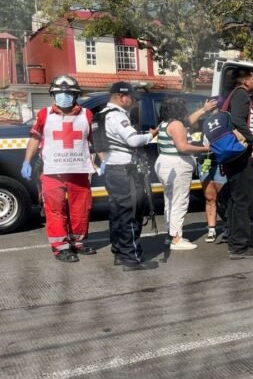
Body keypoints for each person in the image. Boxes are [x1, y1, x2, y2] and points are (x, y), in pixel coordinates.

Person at [21, 75, 96, 262]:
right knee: (55, 210)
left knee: (81, 208)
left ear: (76, 95)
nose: (64, 96)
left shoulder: (86, 114)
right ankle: (60, 247)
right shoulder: (44, 114)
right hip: (52, 172)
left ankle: (78, 242)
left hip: (79, 171)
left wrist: (102, 161)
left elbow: (95, 140)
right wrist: (26, 161)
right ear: (53, 94)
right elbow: (35, 139)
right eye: (59, 93)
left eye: (68, 93)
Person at [100, 82, 160, 271]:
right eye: (132, 99)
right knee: (130, 214)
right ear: (121, 97)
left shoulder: (102, 115)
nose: (133, 102)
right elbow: (133, 140)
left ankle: (119, 251)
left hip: (112, 169)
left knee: (117, 213)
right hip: (126, 171)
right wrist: (150, 136)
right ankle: (132, 258)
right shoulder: (117, 116)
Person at [154, 98, 211, 250]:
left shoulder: (165, 123)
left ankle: (171, 234)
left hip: (165, 163)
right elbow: (183, 147)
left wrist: (203, 109)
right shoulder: (177, 125)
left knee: (170, 201)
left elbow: (189, 120)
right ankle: (177, 238)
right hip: (177, 164)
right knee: (180, 201)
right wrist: (205, 149)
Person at [223, 69, 253, 259]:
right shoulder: (241, 94)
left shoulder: (238, 95)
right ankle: (239, 246)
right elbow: (238, 120)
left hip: (239, 155)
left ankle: (235, 240)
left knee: (237, 199)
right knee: (243, 201)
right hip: (241, 155)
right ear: (246, 80)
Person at [196, 96, 228, 242]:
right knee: (209, 197)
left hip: (220, 160)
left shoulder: (226, 119)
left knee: (224, 197)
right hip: (205, 161)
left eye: (213, 105)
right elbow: (188, 121)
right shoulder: (202, 121)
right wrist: (203, 110)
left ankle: (229, 226)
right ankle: (211, 229)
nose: (209, 107)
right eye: (207, 103)